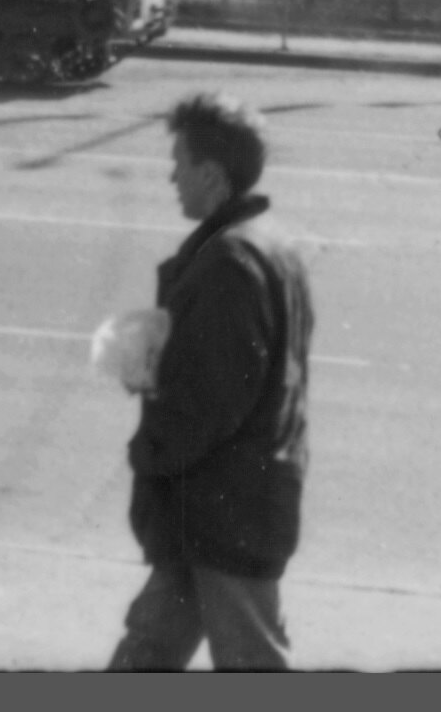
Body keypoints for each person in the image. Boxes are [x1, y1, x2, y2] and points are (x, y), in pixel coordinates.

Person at [107, 92, 314, 671]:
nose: (171, 176)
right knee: (148, 650)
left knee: (248, 663)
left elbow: (209, 402)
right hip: (223, 509)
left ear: (212, 175)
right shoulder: (271, 245)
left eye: (179, 162)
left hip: (223, 512)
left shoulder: (229, 263)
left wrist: (148, 444)